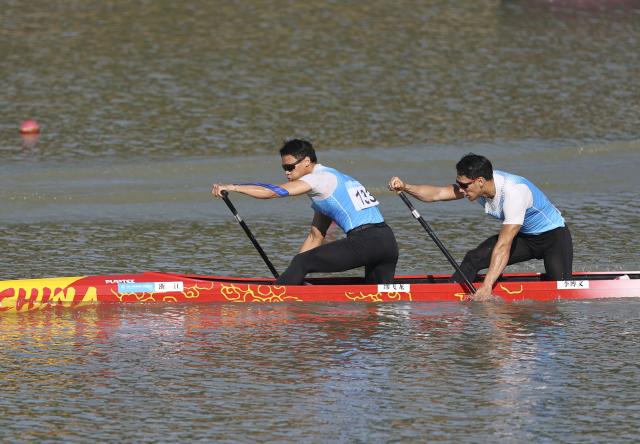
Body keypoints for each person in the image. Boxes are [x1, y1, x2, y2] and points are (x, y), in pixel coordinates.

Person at [212, 139, 398, 285]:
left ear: (307, 161)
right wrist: (292, 273)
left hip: (365, 242)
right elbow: (315, 237)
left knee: (303, 263)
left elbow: (272, 192)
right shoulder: (333, 179)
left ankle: (275, 303)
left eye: (290, 167)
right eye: (283, 168)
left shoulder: (319, 179)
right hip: (387, 242)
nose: (286, 173)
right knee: (377, 300)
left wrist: (233, 187)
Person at [388, 153, 573, 300]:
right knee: (473, 258)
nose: (460, 189)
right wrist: (405, 186)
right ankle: (449, 298)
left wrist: (487, 286)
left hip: (553, 238)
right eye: (458, 184)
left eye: (464, 185)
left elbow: (504, 244)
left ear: (480, 181)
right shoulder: (475, 186)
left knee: (561, 294)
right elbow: (436, 194)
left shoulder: (514, 193)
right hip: (525, 236)